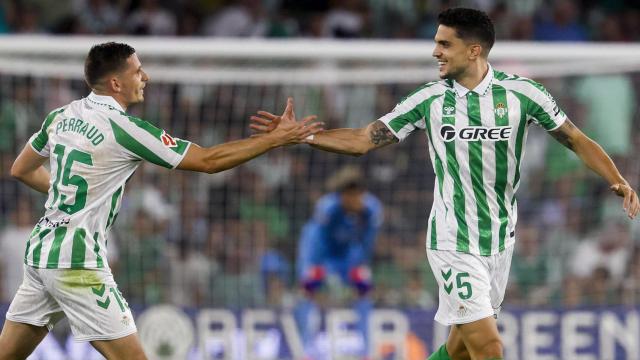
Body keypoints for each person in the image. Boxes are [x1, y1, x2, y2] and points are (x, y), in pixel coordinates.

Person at [251, 8, 639, 360]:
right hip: (452, 241)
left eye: (444, 43)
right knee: (489, 348)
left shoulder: (523, 94)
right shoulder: (429, 99)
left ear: (473, 50)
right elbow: (364, 140)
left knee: (460, 349)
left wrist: (617, 180)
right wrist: (302, 136)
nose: (435, 51)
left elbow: (575, 138)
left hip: (500, 241)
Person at [0, 41, 322, 360]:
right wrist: (274, 138)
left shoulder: (60, 116)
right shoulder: (125, 129)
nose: (146, 77)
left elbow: (21, 169)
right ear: (116, 83)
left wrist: (71, 197)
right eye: (138, 71)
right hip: (77, 263)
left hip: (40, 254)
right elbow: (208, 161)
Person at [294, 166, 382, 356]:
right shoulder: (327, 208)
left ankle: (366, 350)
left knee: (364, 286)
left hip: (348, 257)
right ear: (341, 195)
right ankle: (305, 349)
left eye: (357, 195)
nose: (353, 200)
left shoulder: (372, 209)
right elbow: (315, 241)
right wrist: (318, 270)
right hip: (322, 256)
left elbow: (366, 243)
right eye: (349, 196)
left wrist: (359, 267)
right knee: (307, 288)